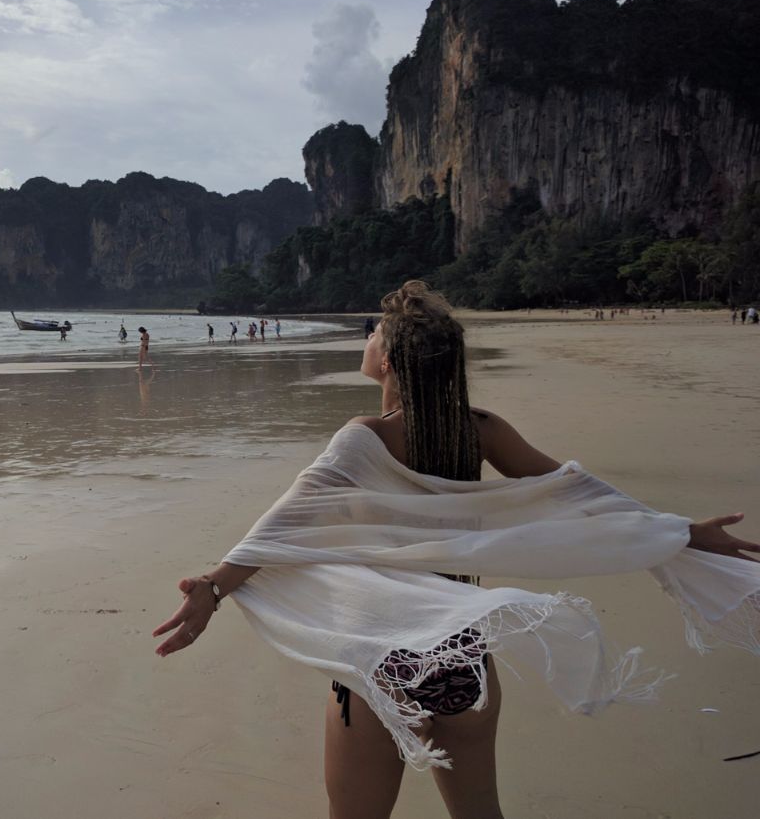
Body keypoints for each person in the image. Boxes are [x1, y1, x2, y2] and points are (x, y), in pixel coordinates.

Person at [153, 280, 759, 819]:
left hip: (385, 656)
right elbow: (578, 492)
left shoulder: (364, 438)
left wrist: (213, 586)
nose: (367, 340)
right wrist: (681, 531)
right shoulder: (481, 430)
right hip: (462, 653)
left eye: (374, 333)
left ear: (387, 360)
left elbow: (283, 524)